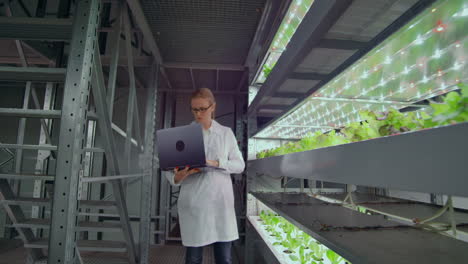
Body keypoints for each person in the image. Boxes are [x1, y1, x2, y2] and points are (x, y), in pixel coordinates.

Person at [165, 88, 245, 264]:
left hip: (220, 205)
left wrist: (216, 163)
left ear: (213, 107)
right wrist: (179, 176)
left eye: (202, 109)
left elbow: (240, 165)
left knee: (224, 258)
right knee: (193, 259)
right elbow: (169, 172)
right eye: (194, 109)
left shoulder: (226, 133)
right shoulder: (181, 135)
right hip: (195, 204)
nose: (198, 113)